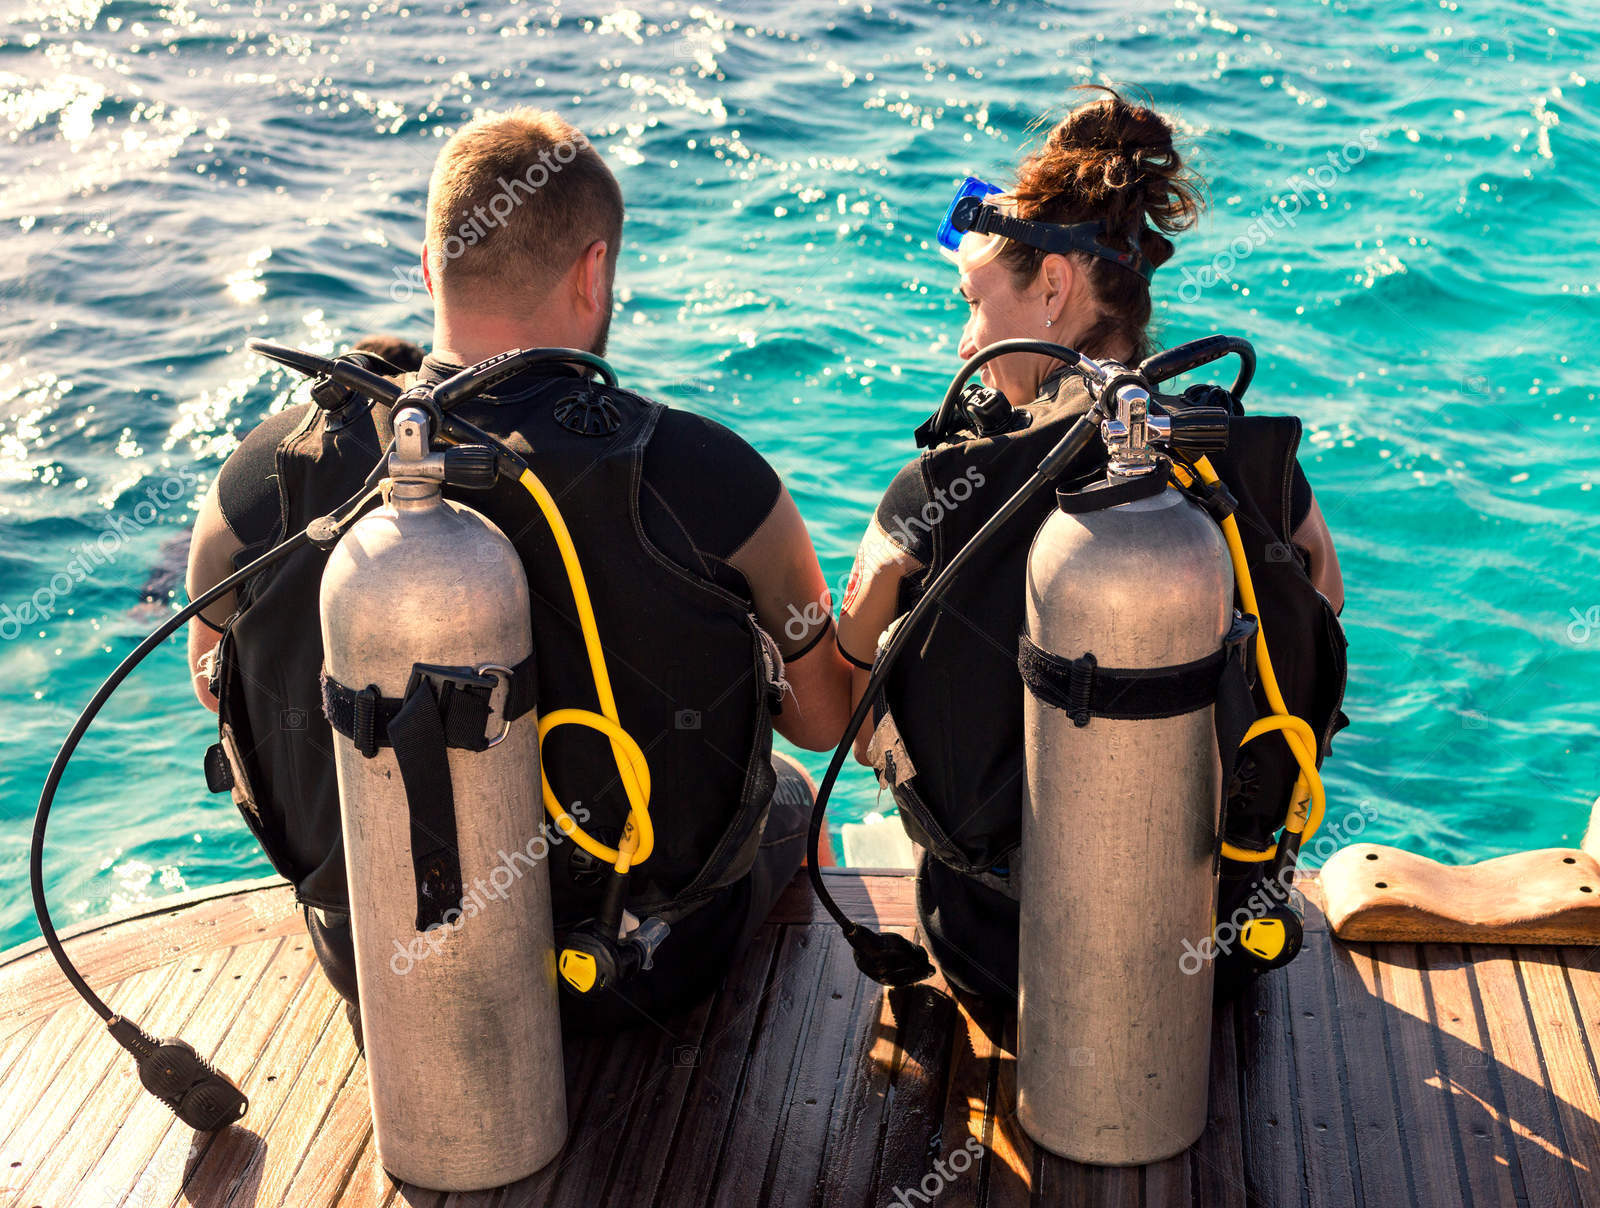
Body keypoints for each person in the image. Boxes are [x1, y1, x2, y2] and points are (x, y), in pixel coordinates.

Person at [186, 108, 851, 1031]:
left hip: (374, 963)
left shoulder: (267, 471)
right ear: (594, 269)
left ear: (430, 268)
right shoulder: (714, 477)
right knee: (789, 795)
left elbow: (214, 684)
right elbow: (822, 721)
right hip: (642, 972)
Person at [837, 88, 1346, 1004]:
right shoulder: (1245, 459)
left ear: (1054, 286)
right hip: (1218, 965)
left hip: (1006, 968)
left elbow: (849, 667)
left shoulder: (944, 485)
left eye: (975, 303)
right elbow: (1324, 600)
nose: (965, 339)